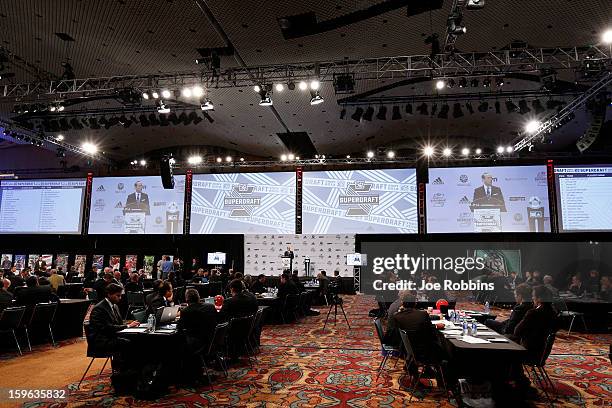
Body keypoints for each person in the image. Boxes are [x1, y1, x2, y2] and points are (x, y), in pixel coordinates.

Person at [88, 283, 139, 357]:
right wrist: (127, 326)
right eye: (118, 295)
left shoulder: (115, 306)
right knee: (129, 343)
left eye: (120, 295)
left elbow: (119, 323)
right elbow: (106, 328)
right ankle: (125, 367)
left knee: (137, 339)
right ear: (109, 294)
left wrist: (130, 324)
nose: (120, 298)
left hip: (111, 336)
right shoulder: (99, 308)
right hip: (101, 341)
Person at [512, 286, 557, 362]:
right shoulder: (554, 313)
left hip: (528, 351)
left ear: (539, 298)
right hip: (542, 353)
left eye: (533, 296)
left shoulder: (533, 313)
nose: (532, 298)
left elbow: (517, 331)